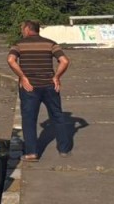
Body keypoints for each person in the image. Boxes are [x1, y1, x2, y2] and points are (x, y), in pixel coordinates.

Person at [6, 20, 73, 161]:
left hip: (29, 87)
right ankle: (64, 149)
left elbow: (11, 60)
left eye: (22, 28)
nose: (21, 31)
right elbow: (64, 61)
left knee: (29, 119)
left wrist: (23, 77)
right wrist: (57, 77)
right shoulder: (50, 43)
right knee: (57, 116)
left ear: (27, 29)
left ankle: (32, 153)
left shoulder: (19, 44)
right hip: (50, 86)